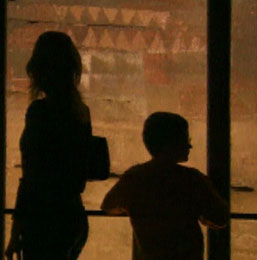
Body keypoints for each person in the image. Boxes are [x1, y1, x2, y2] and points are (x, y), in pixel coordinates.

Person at [6, 31, 91, 260]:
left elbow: (32, 176)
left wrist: (17, 228)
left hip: (43, 221)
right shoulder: (81, 113)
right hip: (72, 215)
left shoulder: (40, 112)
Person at [101, 112, 228, 260]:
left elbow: (108, 205)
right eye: (185, 139)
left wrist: (135, 208)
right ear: (172, 143)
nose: (189, 145)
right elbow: (220, 218)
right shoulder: (192, 179)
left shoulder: (135, 177)